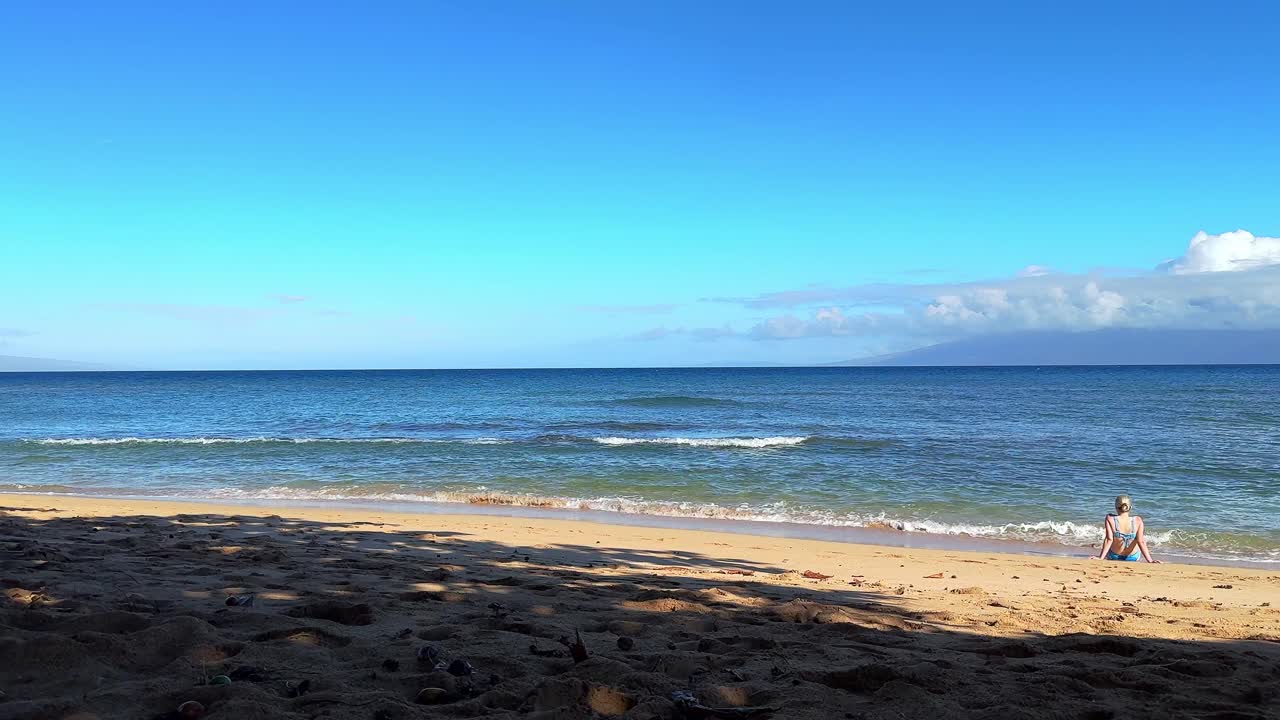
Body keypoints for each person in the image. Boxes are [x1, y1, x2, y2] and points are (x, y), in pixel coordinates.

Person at [1093, 494, 1161, 563]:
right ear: (1130, 507)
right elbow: (1141, 542)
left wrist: (1101, 558)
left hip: (1114, 556)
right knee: (1140, 539)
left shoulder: (1110, 519)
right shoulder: (1138, 520)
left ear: (1116, 507)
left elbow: (1109, 540)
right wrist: (1150, 560)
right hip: (1133, 557)